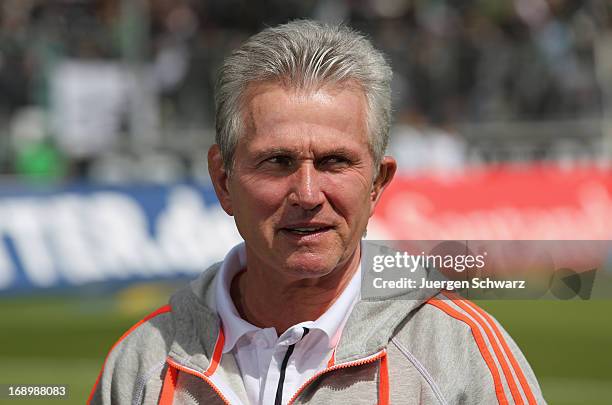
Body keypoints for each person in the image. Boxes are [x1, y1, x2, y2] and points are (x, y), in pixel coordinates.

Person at [88, 20, 545, 405]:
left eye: (335, 162)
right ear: (223, 180)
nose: (307, 193)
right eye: (277, 162)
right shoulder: (139, 365)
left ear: (377, 185)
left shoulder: (462, 356)